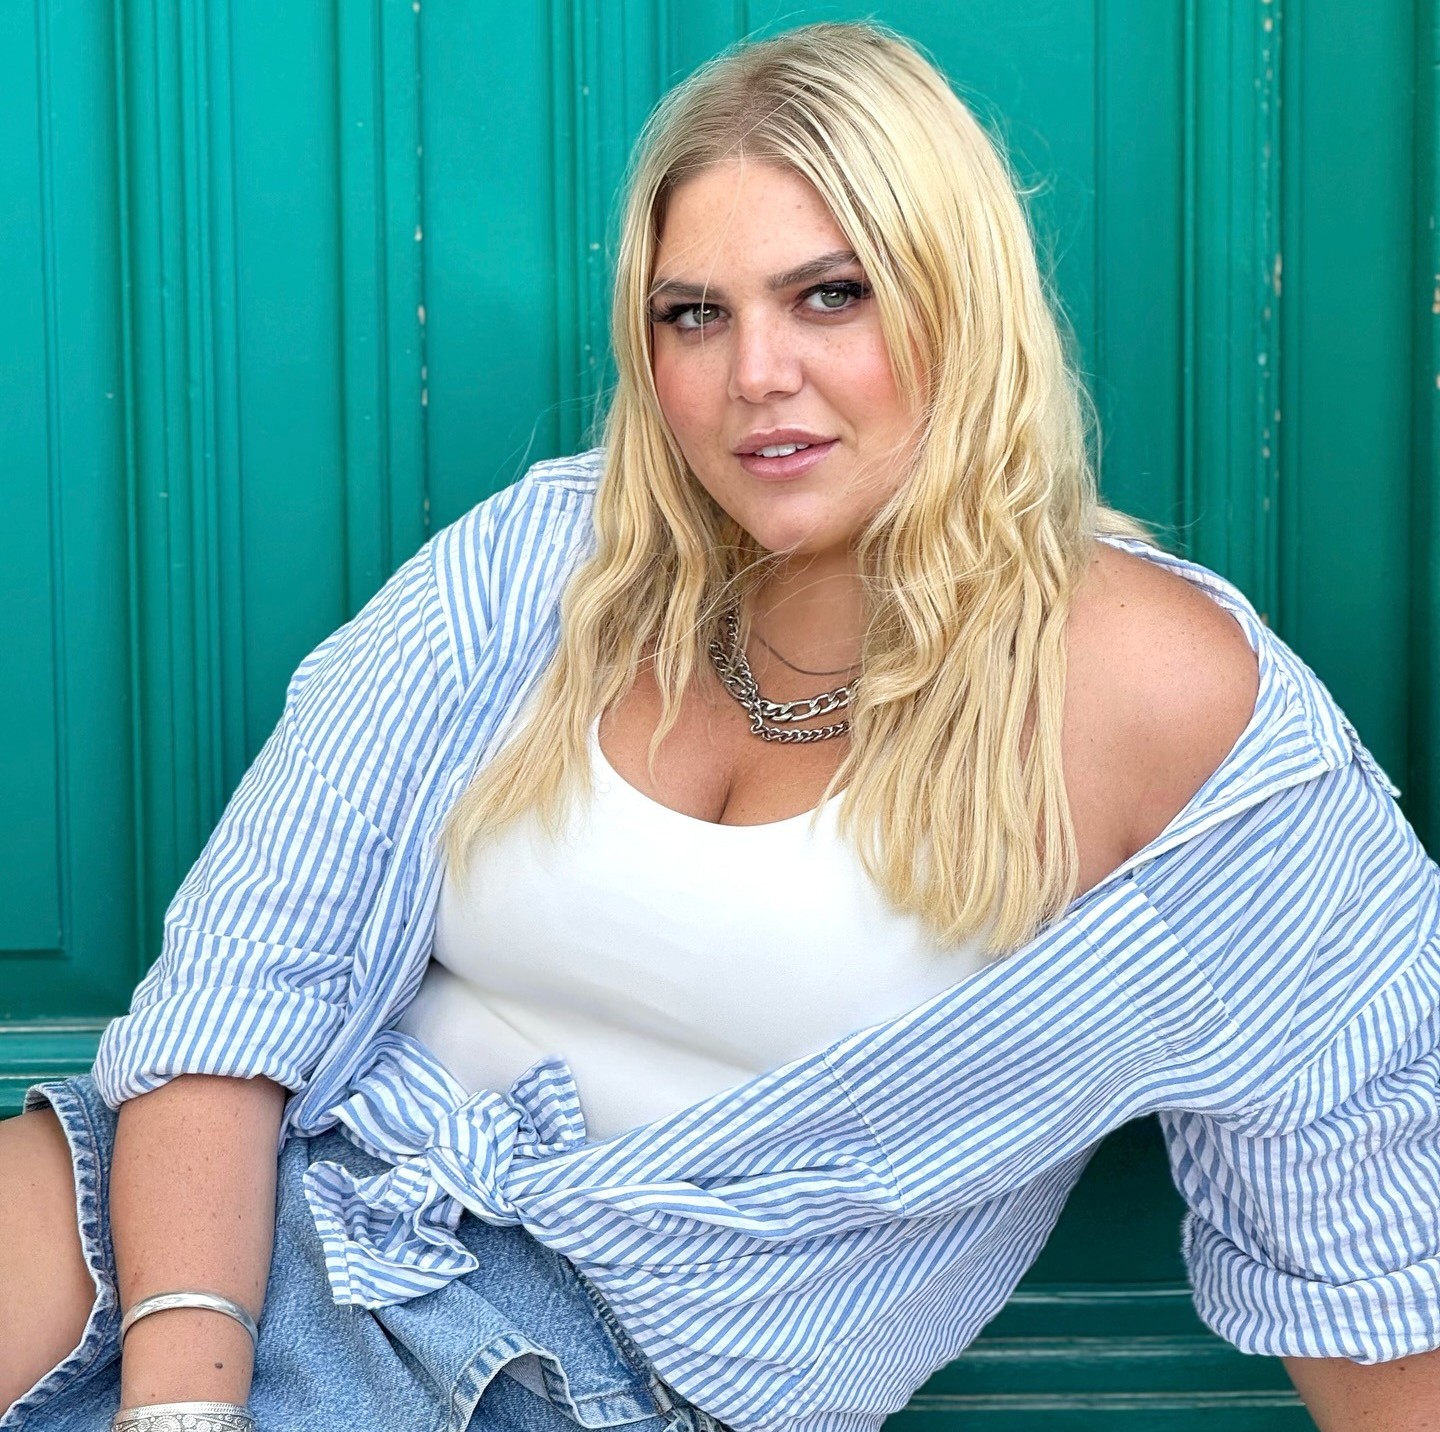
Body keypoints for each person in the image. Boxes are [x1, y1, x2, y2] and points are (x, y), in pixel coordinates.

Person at [3, 19, 1438, 1432]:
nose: (756, 373)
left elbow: (1359, 1191)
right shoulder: (540, 567)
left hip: (610, 1375)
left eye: (832, 296)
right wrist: (181, 1400)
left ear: (962, 300)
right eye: (695, 313)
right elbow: (241, 994)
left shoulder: (1157, 694)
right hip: (240, 1209)